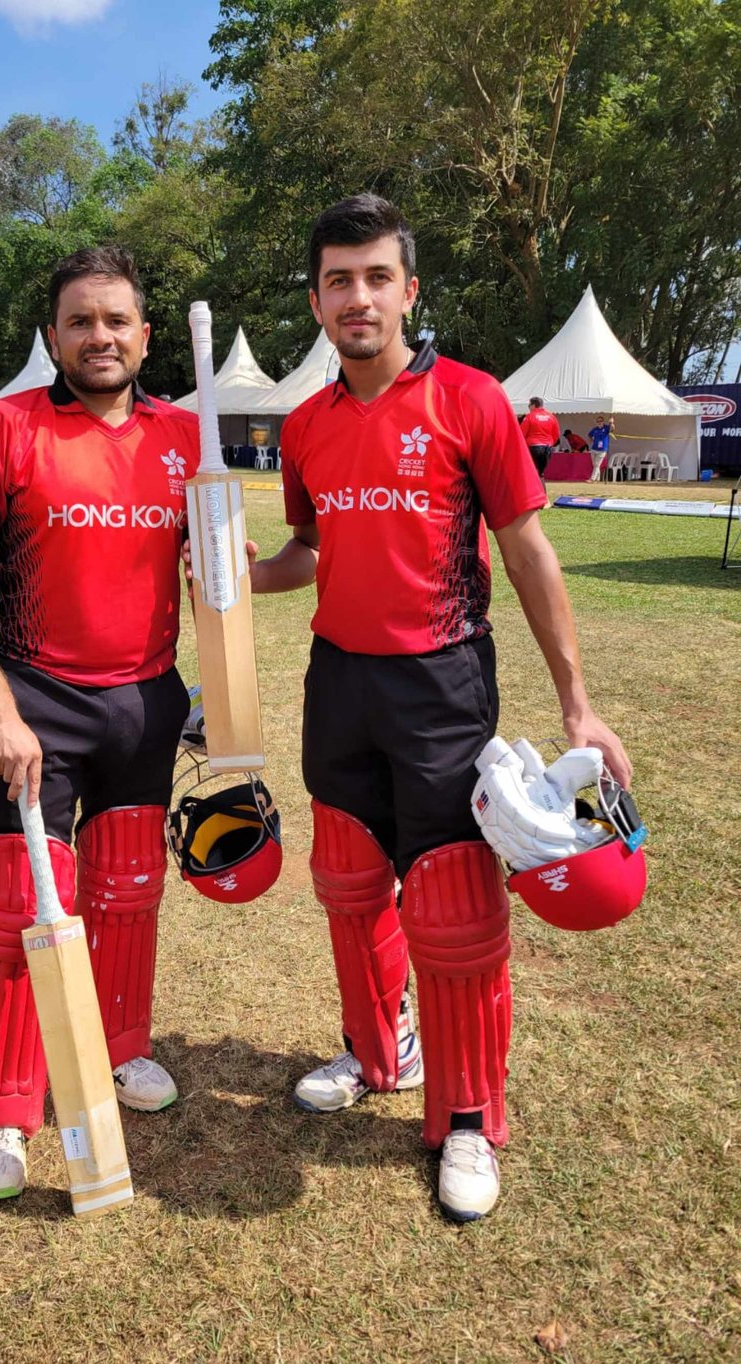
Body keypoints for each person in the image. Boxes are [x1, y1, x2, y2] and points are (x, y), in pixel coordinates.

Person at [246, 195, 631, 1222]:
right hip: (338, 678)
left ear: (408, 290)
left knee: (452, 904)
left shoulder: (469, 401)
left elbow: (527, 548)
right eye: (337, 279)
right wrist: (240, 572)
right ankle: (381, 1053)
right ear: (317, 299)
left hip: (441, 681)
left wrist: (577, 705)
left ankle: (467, 1116)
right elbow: (309, 553)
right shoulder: (308, 425)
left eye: (376, 277)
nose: (356, 296)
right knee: (345, 877)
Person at [0, 245, 199, 1202]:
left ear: (145, 334)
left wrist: (225, 567)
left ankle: (119, 1046)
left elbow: (202, 570)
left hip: (147, 700)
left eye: (116, 320)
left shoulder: (183, 438)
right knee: (13, 904)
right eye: (80, 321)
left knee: (127, 888)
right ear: (53, 336)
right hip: (34, 703)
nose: (100, 337)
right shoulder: (5, 428)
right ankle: (0, 1106)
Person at [520, 396, 560, 481]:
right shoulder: (551, 416)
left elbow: (522, 433)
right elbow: (556, 434)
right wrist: (550, 443)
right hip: (547, 447)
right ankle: (542, 493)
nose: (529, 407)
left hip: (533, 447)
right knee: (540, 474)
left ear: (533, 405)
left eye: (529, 405)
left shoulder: (529, 417)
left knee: (531, 472)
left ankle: (532, 492)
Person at [588, 416, 616, 481]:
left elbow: (612, 429)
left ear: (603, 421)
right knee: (594, 464)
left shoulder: (606, 428)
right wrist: (591, 441)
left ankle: (592, 479)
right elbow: (589, 435)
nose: (599, 422)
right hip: (594, 449)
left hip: (602, 450)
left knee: (597, 464)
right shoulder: (595, 429)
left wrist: (611, 423)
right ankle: (597, 479)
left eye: (600, 421)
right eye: (598, 421)